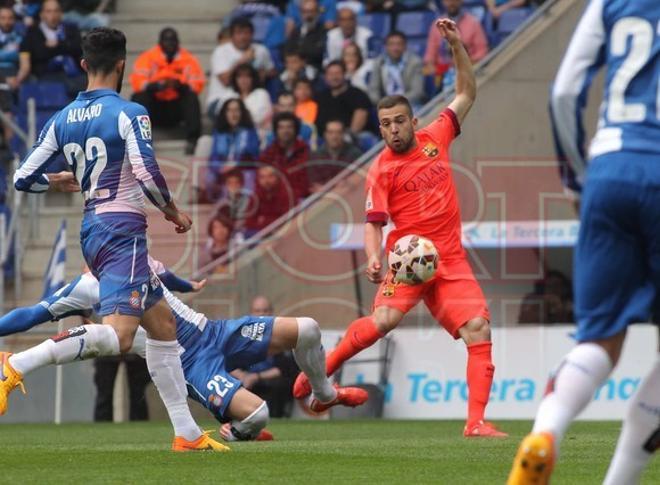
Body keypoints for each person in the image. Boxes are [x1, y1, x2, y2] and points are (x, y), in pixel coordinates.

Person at [8, 27, 227, 452]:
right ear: (123, 64)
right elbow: (146, 173)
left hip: (92, 226)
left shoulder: (61, 119)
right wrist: (172, 211)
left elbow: (21, 178)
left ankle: (186, 434)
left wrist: (56, 182)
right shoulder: (130, 112)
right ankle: (15, 364)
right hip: (122, 229)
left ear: (84, 65)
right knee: (121, 337)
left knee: (162, 327)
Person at [294, 19, 507, 438]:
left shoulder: (437, 136)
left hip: (449, 260)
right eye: (386, 124)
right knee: (384, 321)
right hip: (408, 263)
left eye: (399, 121)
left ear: (413, 121)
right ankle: (323, 368)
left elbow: (466, 92)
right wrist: (375, 256)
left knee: (479, 328)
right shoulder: (381, 170)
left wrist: (456, 47)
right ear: (380, 128)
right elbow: (373, 224)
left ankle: (476, 423)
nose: (393, 129)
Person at [508, 0, 660, 483]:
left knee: (598, 339)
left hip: (610, 168)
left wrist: (578, 180)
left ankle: (546, 431)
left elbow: (564, 90)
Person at [0, 270, 368, 442]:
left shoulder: (132, 252)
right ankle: (235, 433)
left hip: (216, 332)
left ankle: (323, 395)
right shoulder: (83, 288)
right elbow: (31, 315)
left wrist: (187, 285)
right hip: (189, 362)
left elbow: (164, 275)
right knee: (258, 415)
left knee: (308, 328)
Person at [130, 27, 205, 155]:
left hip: (176, 108)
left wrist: (179, 86)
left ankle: (193, 140)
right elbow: (138, 83)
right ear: (160, 42)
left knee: (191, 98)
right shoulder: (148, 57)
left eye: (173, 40)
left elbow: (197, 85)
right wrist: (159, 86)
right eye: (166, 40)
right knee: (139, 98)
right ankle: (141, 141)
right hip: (155, 108)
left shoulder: (189, 59)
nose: (170, 43)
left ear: (178, 42)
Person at [230, 296, 299, 418]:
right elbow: (225, 362)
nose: (261, 314)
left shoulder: (281, 333)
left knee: (280, 384)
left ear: (271, 312)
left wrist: (256, 377)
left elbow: (287, 366)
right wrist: (242, 376)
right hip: (244, 381)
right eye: (257, 311)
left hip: (270, 382)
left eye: (265, 310)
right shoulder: (239, 335)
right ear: (251, 313)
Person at [207, 16, 274, 119]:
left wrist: (263, 73)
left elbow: (272, 71)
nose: (243, 37)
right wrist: (243, 61)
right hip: (222, 99)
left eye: (246, 33)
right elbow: (226, 81)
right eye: (239, 33)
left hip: (253, 99)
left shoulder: (261, 50)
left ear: (252, 34)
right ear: (232, 36)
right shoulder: (221, 52)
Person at [19, 0, 85, 94]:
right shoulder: (32, 33)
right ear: (42, 14)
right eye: (49, 11)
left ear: (61, 13)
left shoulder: (71, 29)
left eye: (56, 11)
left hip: (75, 74)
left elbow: (79, 47)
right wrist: (60, 48)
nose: (53, 15)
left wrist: (58, 45)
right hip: (46, 76)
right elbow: (38, 54)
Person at [206, 98, 260, 202]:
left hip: (243, 169)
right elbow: (214, 156)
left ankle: (243, 204)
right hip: (223, 169)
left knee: (247, 176)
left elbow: (252, 155)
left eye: (236, 110)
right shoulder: (218, 132)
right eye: (229, 110)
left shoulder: (250, 131)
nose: (233, 114)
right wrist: (220, 168)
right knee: (210, 176)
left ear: (242, 112)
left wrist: (234, 165)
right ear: (224, 113)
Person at [314, 60, 375, 146]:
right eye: (331, 74)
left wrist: (348, 136)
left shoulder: (357, 94)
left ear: (344, 74)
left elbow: (361, 114)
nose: (334, 77)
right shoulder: (320, 96)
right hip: (324, 138)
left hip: (352, 137)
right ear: (326, 77)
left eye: (337, 73)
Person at [423, 0, 488, 79]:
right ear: (443, 2)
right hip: (442, 74)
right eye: (448, 1)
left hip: (468, 71)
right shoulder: (437, 25)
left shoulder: (473, 23)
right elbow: (430, 55)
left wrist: (467, 65)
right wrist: (432, 68)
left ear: (461, 1)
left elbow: (482, 53)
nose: (451, 3)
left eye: (455, 0)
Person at [260, 111, 310, 201]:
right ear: (276, 131)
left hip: (301, 201)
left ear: (296, 130)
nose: (285, 131)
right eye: (281, 127)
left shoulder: (306, 153)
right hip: (275, 201)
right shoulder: (268, 155)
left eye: (289, 127)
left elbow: (308, 183)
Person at [369, 31, 425, 109]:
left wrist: (395, 103)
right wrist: (382, 103)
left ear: (405, 46)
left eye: (399, 44)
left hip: (409, 105)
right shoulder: (379, 63)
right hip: (386, 106)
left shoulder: (415, 62)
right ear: (385, 47)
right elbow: (373, 90)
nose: (395, 48)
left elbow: (417, 91)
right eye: (391, 44)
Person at [308, 118, 362, 192]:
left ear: (343, 134)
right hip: (322, 197)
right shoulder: (315, 156)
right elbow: (313, 184)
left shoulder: (355, 154)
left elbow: (359, 180)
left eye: (338, 132)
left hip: (348, 196)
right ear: (325, 134)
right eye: (330, 132)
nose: (334, 137)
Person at [244, 165, 293, 236]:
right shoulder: (255, 196)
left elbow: (286, 220)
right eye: (262, 177)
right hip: (259, 233)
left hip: (282, 233)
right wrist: (271, 220)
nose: (266, 181)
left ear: (277, 178)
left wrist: (263, 220)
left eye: (270, 176)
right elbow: (249, 222)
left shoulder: (287, 195)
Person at [227, 63, 272, 133]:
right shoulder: (229, 95)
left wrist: (235, 117)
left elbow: (258, 118)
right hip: (232, 134)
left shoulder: (261, 93)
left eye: (247, 76)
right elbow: (223, 118)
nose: (243, 80)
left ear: (253, 78)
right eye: (239, 76)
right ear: (235, 79)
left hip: (257, 133)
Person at [284, 0, 328, 71]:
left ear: (317, 13)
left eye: (311, 11)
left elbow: (318, 53)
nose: (309, 15)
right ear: (301, 13)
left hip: (316, 70)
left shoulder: (324, 32)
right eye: (305, 12)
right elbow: (288, 51)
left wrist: (300, 59)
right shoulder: (296, 32)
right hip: (295, 69)